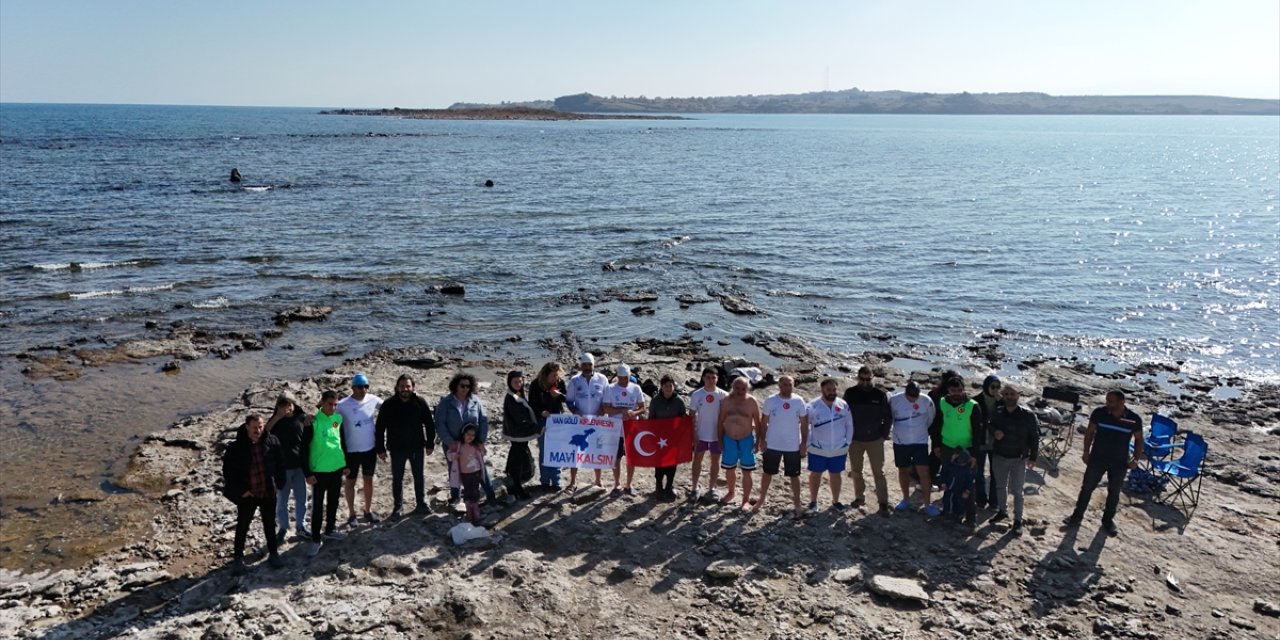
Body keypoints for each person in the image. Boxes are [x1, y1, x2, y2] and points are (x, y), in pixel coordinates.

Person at [1066, 390, 1143, 536]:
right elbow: (1089, 432)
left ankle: (1108, 521)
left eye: (1111, 401)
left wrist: (1135, 459)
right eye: (1107, 400)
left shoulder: (1134, 419)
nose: (1108, 404)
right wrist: (1086, 452)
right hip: (1098, 458)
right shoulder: (1099, 413)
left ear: (1122, 402)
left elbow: (1139, 439)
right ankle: (1076, 516)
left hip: (1120, 462)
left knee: (1114, 492)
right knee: (1087, 487)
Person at [222, 414, 286, 575]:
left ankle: (273, 553)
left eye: (260, 426)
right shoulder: (235, 448)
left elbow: (280, 463)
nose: (258, 430)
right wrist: (241, 491)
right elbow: (228, 473)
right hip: (248, 495)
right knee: (242, 526)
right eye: (254, 427)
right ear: (246, 427)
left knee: (270, 525)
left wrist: (280, 483)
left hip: (267, 492)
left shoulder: (272, 442)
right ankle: (238, 558)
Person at [375, 374, 435, 519]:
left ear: (413, 387)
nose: (405, 389)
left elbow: (429, 424)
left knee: (419, 476)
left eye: (408, 386)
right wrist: (380, 448)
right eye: (402, 386)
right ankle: (398, 507)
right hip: (397, 448)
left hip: (417, 447)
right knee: (397, 478)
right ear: (397, 388)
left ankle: (421, 503)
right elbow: (380, 427)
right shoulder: (388, 404)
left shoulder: (420, 402)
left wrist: (430, 443)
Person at [435, 372, 497, 504]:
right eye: (462, 386)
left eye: (468, 386)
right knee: (454, 469)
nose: (465, 389)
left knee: (480, 468)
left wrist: (480, 441)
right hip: (453, 444)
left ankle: (490, 494)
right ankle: (455, 496)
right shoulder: (446, 402)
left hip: (472, 443)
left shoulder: (475, 401)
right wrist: (449, 441)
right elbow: (440, 423)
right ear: (455, 386)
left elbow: (483, 421)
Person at [929, 377, 981, 524]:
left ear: (964, 389)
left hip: (967, 450)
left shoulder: (972, 405)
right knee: (948, 481)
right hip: (947, 447)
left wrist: (975, 455)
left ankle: (971, 516)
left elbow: (978, 432)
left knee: (967, 483)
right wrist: (936, 445)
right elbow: (936, 425)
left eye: (959, 390)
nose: (957, 393)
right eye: (953, 390)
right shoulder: (942, 402)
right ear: (948, 390)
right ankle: (948, 510)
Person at [989, 383, 1039, 535]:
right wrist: (995, 431)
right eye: (1007, 394)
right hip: (999, 456)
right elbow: (990, 425)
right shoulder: (997, 411)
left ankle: (1018, 520)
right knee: (1000, 486)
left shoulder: (1028, 415)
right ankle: (1002, 511)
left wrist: (1033, 457)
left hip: (1018, 458)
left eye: (1012, 394)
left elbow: (1034, 437)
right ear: (1002, 396)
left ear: (1018, 395)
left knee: (1017, 490)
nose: (1009, 397)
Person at [302, 390, 348, 557]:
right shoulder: (312, 422)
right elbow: (303, 450)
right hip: (319, 471)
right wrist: (307, 473)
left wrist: (346, 464)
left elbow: (341, 441)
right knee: (317, 507)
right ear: (321, 402)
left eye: (335, 404)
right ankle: (315, 539)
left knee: (334, 501)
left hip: (336, 468)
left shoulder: (338, 419)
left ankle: (330, 529)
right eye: (330, 404)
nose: (333, 407)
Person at [754, 375, 808, 516]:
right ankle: (761, 499)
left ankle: (797, 503)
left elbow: (804, 423)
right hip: (773, 443)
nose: (787, 387)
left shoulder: (799, 401)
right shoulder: (771, 400)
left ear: (793, 385)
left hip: (792, 445)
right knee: (767, 473)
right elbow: (764, 422)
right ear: (779, 385)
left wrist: (804, 443)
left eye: (790, 384)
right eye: (784, 384)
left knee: (794, 476)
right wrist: (762, 440)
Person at [843, 366, 893, 515]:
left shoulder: (880, 395)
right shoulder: (850, 393)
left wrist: (883, 435)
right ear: (858, 378)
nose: (865, 382)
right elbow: (843, 413)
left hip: (875, 439)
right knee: (856, 471)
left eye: (868, 379)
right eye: (862, 379)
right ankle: (859, 498)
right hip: (855, 439)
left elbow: (887, 417)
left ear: (873, 378)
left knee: (879, 472)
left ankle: (883, 503)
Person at [338, 373, 383, 526]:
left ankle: (368, 510)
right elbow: (328, 416)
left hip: (370, 449)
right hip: (351, 452)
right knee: (350, 482)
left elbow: (390, 407)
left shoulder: (373, 399)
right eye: (358, 387)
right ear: (352, 388)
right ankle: (351, 514)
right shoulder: (343, 404)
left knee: (368, 480)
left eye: (365, 386)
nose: (362, 389)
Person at [265, 392, 309, 544]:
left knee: (301, 498)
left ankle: (301, 526)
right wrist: (277, 416)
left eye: (289, 404)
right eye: (283, 405)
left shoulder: (301, 418)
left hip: (299, 466)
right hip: (282, 468)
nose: (287, 408)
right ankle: (283, 528)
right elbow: (264, 432)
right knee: (282, 500)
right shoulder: (275, 421)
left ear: (294, 405)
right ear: (278, 407)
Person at [889, 382, 939, 516]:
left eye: (915, 396)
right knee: (903, 469)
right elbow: (891, 418)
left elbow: (930, 418)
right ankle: (905, 499)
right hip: (900, 441)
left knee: (924, 471)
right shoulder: (894, 400)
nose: (913, 399)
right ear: (905, 393)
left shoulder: (926, 401)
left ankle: (927, 504)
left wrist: (921, 431)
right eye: (910, 396)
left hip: (920, 441)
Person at [807, 378, 854, 513]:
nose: (832, 392)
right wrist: (808, 443)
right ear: (822, 390)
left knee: (836, 474)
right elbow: (805, 426)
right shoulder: (813, 405)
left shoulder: (843, 404)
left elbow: (849, 424)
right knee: (816, 474)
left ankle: (835, 501)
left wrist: (848, 442)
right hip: (818, 448)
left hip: (839, 448)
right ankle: (813, 501)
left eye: (834, 389)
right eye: (829, 390)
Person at [602, 364, 647, 497]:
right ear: (617, 377)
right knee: (616, 457)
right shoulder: (610, 388)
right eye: (620, 378)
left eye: (625, 378)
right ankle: (617, 484)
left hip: (631, 428)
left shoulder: (636, 388)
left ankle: (629, 484)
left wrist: (634, 412)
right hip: (615, 429)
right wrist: (621, 411)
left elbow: (643, 407)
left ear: (629, 377)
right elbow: (606, 408)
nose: (623, 381)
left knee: (631, 458)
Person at [718, 376, 762, 510]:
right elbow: (720, 421)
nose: (740, 391)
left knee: (747, 471)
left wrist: (758, 442)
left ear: (747, 388)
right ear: (733, 387)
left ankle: (745, 500)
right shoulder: (726, 401)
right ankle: (731, 492)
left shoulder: (752, 402)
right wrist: (719, 440)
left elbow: (758, 424)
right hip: (729, 439)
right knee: (729, 468)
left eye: (743, 388)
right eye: (737, 388)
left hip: (746, 440)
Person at [565, 353, 608, 489]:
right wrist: (575, 412)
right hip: (580, 422)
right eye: (584, 364)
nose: (587, 367)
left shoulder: (602, 379)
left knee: (597, 450)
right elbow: (569, 401)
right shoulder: (574, 380)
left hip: (598, 421)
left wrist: (603, 409)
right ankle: (572, 481)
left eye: (589, 364)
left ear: (593, 365)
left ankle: (598, 480)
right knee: (575, 451)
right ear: (581, 365)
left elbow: (607, 399)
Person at [688, 367, 728, 501]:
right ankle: (694, 487)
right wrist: (694, 433)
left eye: (713, 377)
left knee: (715, 461)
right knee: (697, 460)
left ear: (717, 378)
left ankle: (712, 488)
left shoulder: (723, 395)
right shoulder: (697, 394)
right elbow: (691, 415)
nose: (711, 380)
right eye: (708, 377)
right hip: (701, 433)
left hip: (717, 435)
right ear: (703, 378)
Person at [648, 374, 688, 501]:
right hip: (659, 438)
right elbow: (651, 419)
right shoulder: (655, 400)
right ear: (661, 387)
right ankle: (659, 487)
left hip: (673, 438)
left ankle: (669, 486)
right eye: (666, 386)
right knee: (659, 463)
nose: (668, 388)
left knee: (672, 463)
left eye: (670, 385)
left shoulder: (679, 401)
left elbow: (683, 418)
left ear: (673, 386)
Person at [528, 362, 567, 490]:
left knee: (556, 449)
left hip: (557, 420)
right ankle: (544, 481)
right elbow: (532, 404)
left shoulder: (559, 383)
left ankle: (556, 480)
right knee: (544, 450)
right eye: (553, 376)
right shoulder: (536, 384)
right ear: (545, 375)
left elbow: (566, 398)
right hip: (542, 420)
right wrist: (541, 412)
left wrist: (558, 396)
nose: (555, 378)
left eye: (557, 375)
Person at [502, 370, 540, 500]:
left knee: (514, 454)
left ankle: (511, 476)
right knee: (518, 458)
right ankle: (518, 487)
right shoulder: (511, 398)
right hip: (517, 433)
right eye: (515, 382)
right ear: (509, 383)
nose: (518, 383)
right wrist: (537, 428)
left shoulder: (518, 393)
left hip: (517, 433)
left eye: (520, 381)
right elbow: (520, 419)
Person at [971, 375, 1002, 510]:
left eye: (997, 387)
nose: (995, 390)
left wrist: (1001, 402)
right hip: (980, 441)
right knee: (978, 473)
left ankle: (994, 502)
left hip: (996, 443)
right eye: (992, 387)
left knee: (995, 473)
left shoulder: (1001, 402)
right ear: (986, 386)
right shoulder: (976, 401)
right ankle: (980, 500)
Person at [451, 423, 486, 524]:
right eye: (468, 434)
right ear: (463, 434)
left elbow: (483, 453)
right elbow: (450, 454)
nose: (470, 437)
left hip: (476, 472)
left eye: (473, 435)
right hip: (464, 473)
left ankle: (476, 511)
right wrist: (454, 456)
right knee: (467, 491)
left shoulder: (475, 446)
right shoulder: (458, 445)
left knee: (475, 491)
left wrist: (482, 448)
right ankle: (469, 512)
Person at [939, 448, 976, 526]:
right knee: (947, 500)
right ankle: (947, 513)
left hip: (960, 491)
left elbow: (970, 482)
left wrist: (967, 491)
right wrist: (943, 483)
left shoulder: (967, 470)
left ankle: (958, 517)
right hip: (949, 488)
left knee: (959, 504)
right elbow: (944, 474)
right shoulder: (950, 466)